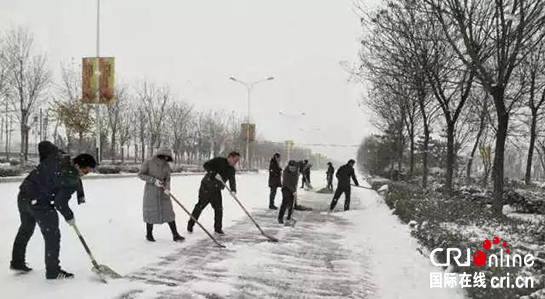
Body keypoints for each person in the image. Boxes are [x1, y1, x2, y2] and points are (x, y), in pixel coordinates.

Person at [11, 144, 96, 279]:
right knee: (52, 236)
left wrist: (58, 154)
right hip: (40, 203)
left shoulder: (58, 156)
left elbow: (43, 144)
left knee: (26, 229)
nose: (84, 175)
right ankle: (53, 271)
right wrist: (70, 217)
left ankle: (17, 262)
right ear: (77, 166)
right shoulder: (70, 179)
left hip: (24, 195)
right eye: (85, 172)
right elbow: (60, 203)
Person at [187, 151, 240, 235]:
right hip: (206, 186)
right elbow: (206, 165)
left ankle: (218, 229)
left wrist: (233, 190)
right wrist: (214, 173)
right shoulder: (219, 161)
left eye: (238, 161)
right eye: (235, 160)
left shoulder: (231, 169)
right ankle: (190, 224)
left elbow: (232, 180)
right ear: (230, 157)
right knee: (200, 206)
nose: (236, 162)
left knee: (219, 209)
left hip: (216, 190)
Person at [138, 147, 184, 243]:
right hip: (151, 192)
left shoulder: (166, 166)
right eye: (164, 157)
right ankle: (149, 234)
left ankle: (175, 235)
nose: (166, 159)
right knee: (151, 212)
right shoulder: (149, 162)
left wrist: (167, 188)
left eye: (168, 157)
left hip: (163, 192)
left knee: (169, 212)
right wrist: (153, 180)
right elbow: (141, 174)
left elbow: (168, 178)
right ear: (160, 155)